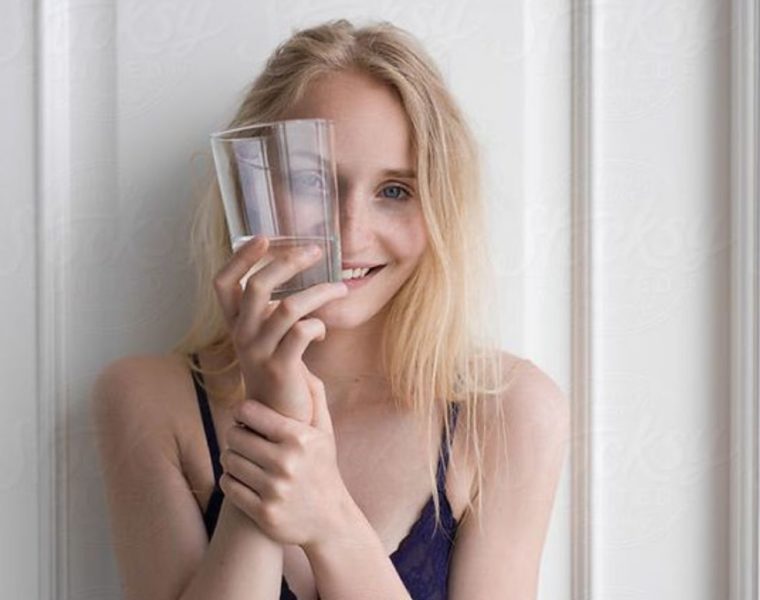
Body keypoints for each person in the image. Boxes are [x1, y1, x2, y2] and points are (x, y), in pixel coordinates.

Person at [91, 18, 570, 600]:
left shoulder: (509, 412)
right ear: (252, 189)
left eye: (395, 191)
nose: (350, 231)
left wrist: (329, 517)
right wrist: (274, 416)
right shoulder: (147, 400)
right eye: (311, 183)